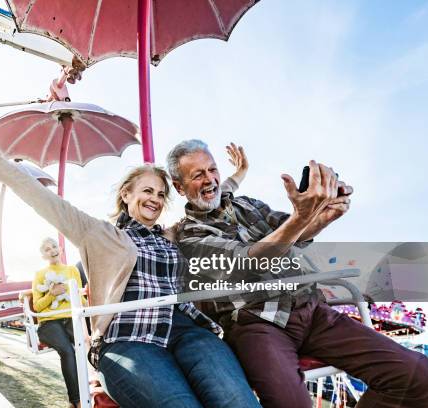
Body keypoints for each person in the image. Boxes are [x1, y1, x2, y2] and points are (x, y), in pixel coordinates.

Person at [0, 112, 259, 408]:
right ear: (126, 195)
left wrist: (238, 175)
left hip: (185, 330)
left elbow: (209, 197)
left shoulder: (172, 235)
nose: (155, 200)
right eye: (147, 191)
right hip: (129, 340)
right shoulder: (99, 234)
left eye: (161, 195)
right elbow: (39, 196)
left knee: (237, 401)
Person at [167, 139, 428, 408]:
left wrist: (324, 215)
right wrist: (302, 218)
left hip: (312, 310)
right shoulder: (189, 235)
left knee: (419, 378)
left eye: (212, 169)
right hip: (257, 324)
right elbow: (250, 261)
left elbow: (296, 234)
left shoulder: (247, 204)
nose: (210, 179)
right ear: (179, 187)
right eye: (198, 175)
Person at [33, 237, 86, 408]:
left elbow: (81, 298)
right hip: (49, 323)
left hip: (71, 317)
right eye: (47, 249)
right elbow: (37, 306)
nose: (52, 250)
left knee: (86, 347)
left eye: (54, 246)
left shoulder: (72, 270)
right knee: (68, 351)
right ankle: (77, 401)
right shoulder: (40, 275)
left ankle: (97, 390)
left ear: (60, 249)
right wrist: (52, 294)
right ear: (43, 256)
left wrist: (84, 297)